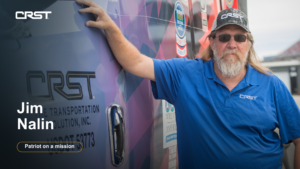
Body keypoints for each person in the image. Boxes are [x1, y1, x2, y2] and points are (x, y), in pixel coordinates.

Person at [76, 0, 300, 168]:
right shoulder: (185, 74)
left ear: (248, 44)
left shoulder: (272, 85)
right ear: (212, 42)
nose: (232, 44)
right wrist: (111, 28)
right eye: (224, 37)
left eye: (240, 38)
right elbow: (135, 62)